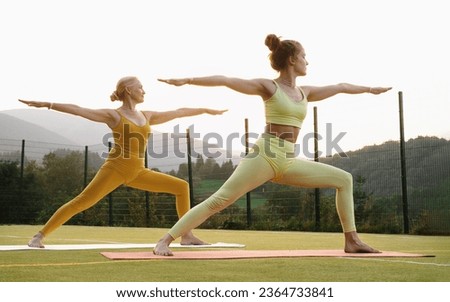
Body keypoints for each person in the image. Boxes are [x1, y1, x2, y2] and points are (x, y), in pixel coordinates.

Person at [153, 34, 392, 256]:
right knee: (220, 199)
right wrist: (189, 80)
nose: (307, 61)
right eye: (303, 56)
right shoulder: (269, 87)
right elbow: (227, 81)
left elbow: (341, 87)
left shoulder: (305, 92)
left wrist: (369, 89)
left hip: (287, 160)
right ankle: (165, 240)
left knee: (344, 179)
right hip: (265, 155)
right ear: (291, 59)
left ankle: (352, 241)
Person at [19, 76, 226, 248]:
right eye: (140, 87)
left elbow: (179, 112)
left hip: (138, 172)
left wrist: (205, 110)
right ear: (128, 90)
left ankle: (186, 235)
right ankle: (39, 236)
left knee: (181, 186)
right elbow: (79, 110)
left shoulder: (147, 115)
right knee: (81, 202)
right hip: (115, 169)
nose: (144, 91)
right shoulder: (113, 115)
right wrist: (49, 105)